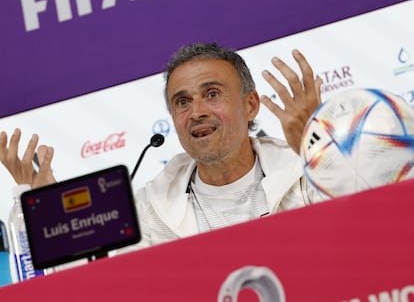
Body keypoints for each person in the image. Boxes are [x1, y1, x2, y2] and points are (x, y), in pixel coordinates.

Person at [0, 42, 326, 249]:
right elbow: (98, 286)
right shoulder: (147, 210)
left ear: (251, 105)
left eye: (212, 94)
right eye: (182, 102)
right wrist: (49, 208)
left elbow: (363, 228)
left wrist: (319, 150)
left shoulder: (303, 172)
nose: (196, 112)